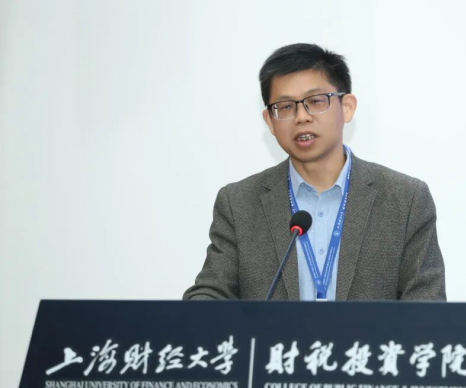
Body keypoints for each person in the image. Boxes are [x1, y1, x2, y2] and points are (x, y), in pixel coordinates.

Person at [183, 43, 445, 301]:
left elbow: (426, 305)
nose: (301, 117)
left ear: (347, 107)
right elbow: (212, 290)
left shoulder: (406, 200)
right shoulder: (239, 203)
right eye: (286, 107)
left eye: (316, 101)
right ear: (269, 122)